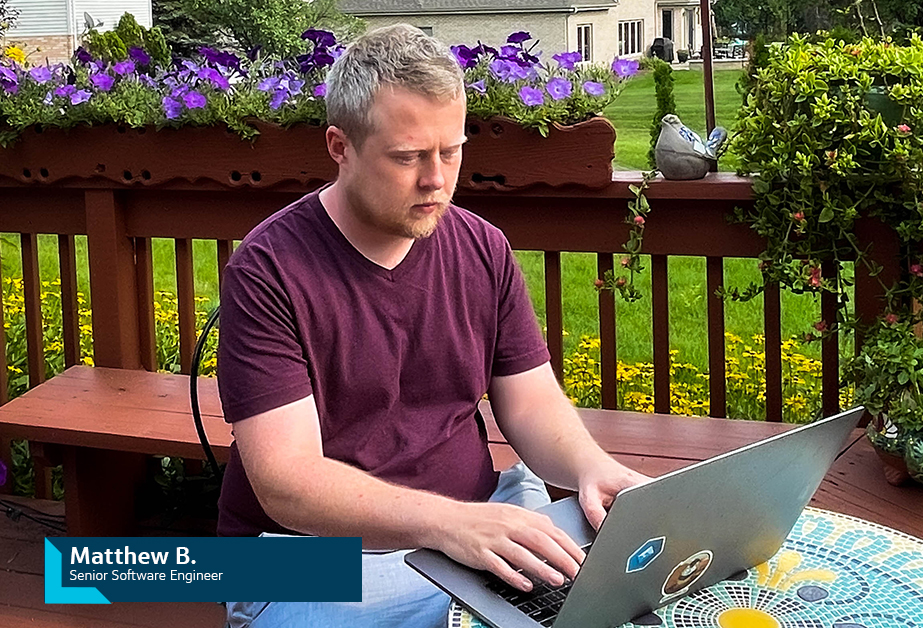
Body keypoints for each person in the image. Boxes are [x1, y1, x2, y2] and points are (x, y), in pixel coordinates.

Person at [217, 24, 650, 628]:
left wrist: (589, 468)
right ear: (339, 146)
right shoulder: (268, 270)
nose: (437, 179)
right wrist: (449, 526)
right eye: (408, 157)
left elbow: (530, 406)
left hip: (475, 520)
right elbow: (287, 483)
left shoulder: (482, 248)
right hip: (296, 555)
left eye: (452, 151)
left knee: (627, 588)